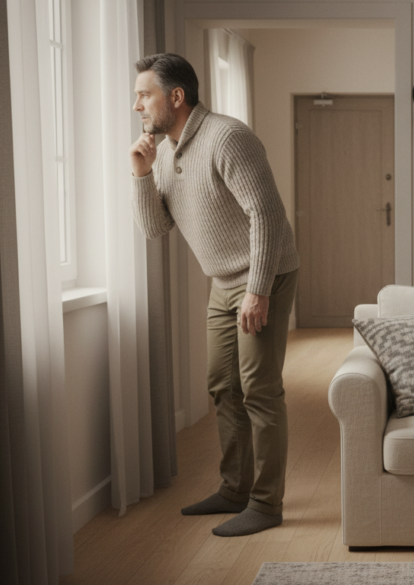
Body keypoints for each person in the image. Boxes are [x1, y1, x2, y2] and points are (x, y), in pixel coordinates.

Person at [129, 53, 299, 537]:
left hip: (264, 274)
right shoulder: (164, 151)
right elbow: (155, 228)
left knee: (259, 390)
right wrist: (141, 173)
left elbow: (265, 215)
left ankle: (266, 504)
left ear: (176, 97)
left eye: (144, 94)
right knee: (222, 385)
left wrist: (258, 291)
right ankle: (234, 489)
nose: (136, 104)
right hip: (222, 282)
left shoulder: (228, 137)